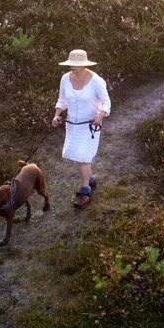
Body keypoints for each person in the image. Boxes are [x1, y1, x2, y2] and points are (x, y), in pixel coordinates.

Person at [51, 49, 111, 208]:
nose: (72, 67)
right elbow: (62, 100)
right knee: (79, 157)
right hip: (72, 125)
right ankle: (91, 180)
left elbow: (106, 103)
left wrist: (100, 116)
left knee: (83, 159)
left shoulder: (96, 81)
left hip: (90, 126)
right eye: (71, 64)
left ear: (85, 64)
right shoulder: (65, 78)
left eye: (76, 64)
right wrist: (57, 114)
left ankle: (85, 190)